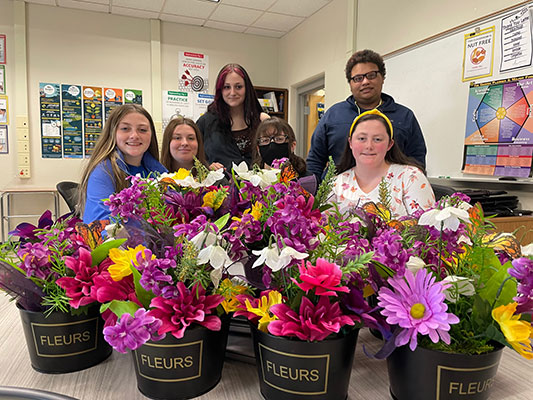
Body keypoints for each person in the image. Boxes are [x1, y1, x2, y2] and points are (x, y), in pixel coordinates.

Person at [306, 49, 427, 181]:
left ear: (382, 78)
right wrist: (313, 196)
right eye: (358, 78)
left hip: (390, 196)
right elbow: (315, 161)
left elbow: (416, 163)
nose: (365, 82)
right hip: (337, 196)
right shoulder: (332, 115)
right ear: (350, 84)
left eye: (371, 75)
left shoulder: (404, 117)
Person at [330, 109, 434, 217]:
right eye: (362, 138)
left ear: (389, 144)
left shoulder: (411, 177)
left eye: (377, 139)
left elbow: (427, 228)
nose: (369, 146)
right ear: (350, 142)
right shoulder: (336, 184)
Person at [78, 104, 167, 223]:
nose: (134, 135)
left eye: (142, 130)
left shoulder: (158, 172)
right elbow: (103, 227)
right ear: (113, 133)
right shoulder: (103, 172)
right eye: (125, 129)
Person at [196, 63, 270, 171]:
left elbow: (275, 158)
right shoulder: (205, 122)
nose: (232, 92)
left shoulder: (262, 121)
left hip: (256, 186)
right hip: (220, 186)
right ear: (220, 90)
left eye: (238, 87)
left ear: (247, 89)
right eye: (226, 87)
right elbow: (194, 158)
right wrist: (207, 167)